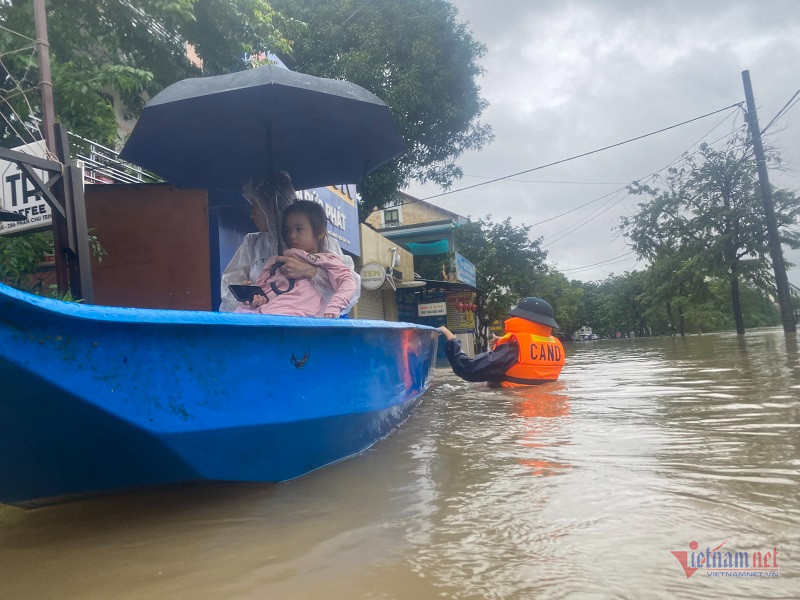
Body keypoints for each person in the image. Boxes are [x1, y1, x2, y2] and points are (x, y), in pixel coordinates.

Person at [219, 172, 360, 312]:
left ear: (270, 206)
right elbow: (228, 295)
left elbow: (351, 288)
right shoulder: (252, 243)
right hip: (263, 324)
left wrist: (312, 272)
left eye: (256, 206)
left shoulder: (322, 242)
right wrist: (249, 296)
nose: (252, 214)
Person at [234, 200, 357, 318]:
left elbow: (348, 283)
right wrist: (256, 297)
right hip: (268, 317)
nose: (292, 236)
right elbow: (264, 292)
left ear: (319, 233)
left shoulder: (327, 260)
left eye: (299, 229)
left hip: (300, 323)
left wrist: (334, 306)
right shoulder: (275, 262)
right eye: (287, 230)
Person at [438, 297, 565, 387]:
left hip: (515, 412)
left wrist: (451, 339)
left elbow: (467, 369)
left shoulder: (513, 349)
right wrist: (505, 345)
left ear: (522, 319)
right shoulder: (555, 345)